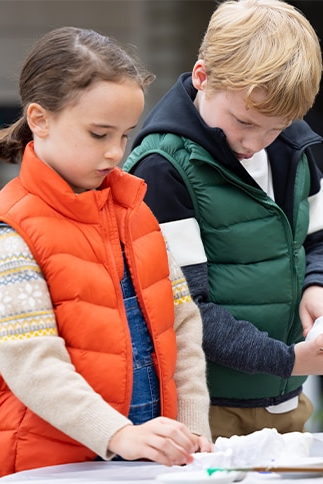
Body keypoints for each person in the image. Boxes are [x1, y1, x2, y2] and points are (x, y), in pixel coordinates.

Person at [0, 27, 212, 483]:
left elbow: (182, 322)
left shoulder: (137, 213)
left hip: (143, 461)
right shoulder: (10, 233)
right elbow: (31, 360)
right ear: (39, 119)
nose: (116, 153)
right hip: (46, 465)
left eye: (124, 135)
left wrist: (193, 426)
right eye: (99, 133)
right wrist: (117, 433)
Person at [123, 0, 323, 441]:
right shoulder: (162, 167)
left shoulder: (295, 147)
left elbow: (317, 239)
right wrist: (287, 360)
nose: (256, 143)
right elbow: (186, 308)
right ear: (202, 77)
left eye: (276, 128)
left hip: (287, 403)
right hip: (203, 412)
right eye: (244, 122)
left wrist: (316, 286)